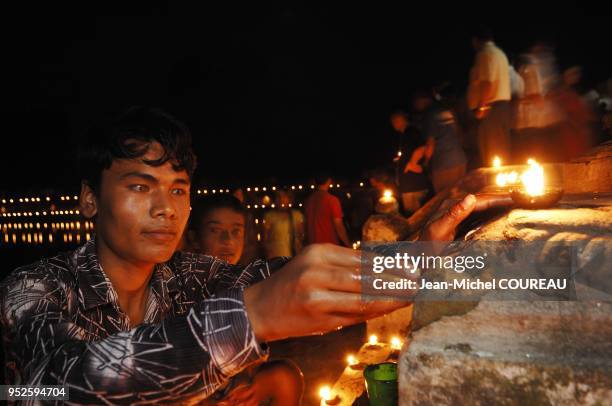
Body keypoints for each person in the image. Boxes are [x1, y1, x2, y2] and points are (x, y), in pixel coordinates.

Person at [0, 107, 503, 403]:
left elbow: (280, 275)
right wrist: (252, 316)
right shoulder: (35, 287)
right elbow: (54, 387)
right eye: (139, 185)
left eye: (178, 189)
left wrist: (411, 259)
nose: (165, 209)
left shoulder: (192, 275)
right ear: (89, 199)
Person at [188, 193, 304, 403]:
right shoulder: (182, 287)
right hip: (196, 392)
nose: (228, 240)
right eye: (215, 231)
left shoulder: (247, 285)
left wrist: (247, 378)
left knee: (286, 376)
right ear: (194, 238)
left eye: (236, 231)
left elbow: (253, 352)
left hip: (234, 386)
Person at [467, 26, 512, 166]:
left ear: (475, 40)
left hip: (491, 109)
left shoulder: (485, 54)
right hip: (501, 108)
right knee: (501, 149)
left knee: (492, 151)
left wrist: (482, 107)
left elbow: (487, 82)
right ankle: (503, 182)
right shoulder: (499, 53)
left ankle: (496, 185)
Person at [414, 89, 468, 193]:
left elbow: (430, 143)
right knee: (460, 195)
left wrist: (425, 162)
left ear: (421, 100)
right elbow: (459, 133)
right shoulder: (445, 110)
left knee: (444, 199)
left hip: (444, 165)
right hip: (460, 160)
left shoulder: (429, 114)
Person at [390, 110, 431, 213]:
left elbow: (421, 148)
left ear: (402, 119)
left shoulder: (411, 131)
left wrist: (411, 164)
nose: (393, 124)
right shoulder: (404, 134)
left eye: (395, 120)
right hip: (410, 185)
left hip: (414, 185)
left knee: (417, 216)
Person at [304, 174, 350, 247]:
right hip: (328, 246)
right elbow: (339, 226)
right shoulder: (332, 200)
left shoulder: (308, 200)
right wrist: (348, 244)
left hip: (312, 247)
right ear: (329, 181)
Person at [262, 191, 304, 258]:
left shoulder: (297, 215)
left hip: (292, 257)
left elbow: (301, 235)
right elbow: (264, 237)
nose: (281, 200)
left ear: (289, 199)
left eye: (284, 197)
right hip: (275, 257)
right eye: (278, 197)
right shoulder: (269, 216)